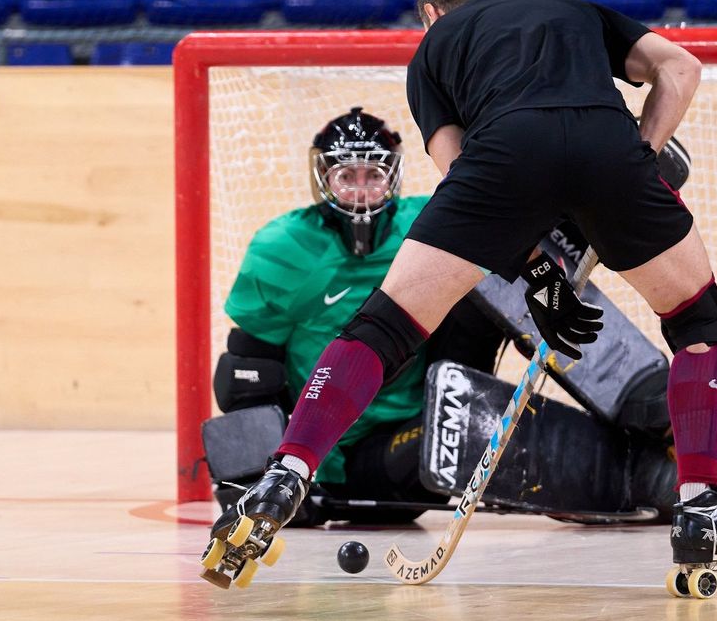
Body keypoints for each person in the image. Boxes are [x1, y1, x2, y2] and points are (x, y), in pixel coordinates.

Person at [205, 0, 717, 584]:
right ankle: (705, 509)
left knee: (384, 326)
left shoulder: (433, 51)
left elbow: (458, 174)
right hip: (606, 142)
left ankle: (286, 472)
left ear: (430, 13)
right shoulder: (575, 10)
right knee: (701, 319)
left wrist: (535, 275)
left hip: (501, 157)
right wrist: (640, 154)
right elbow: (681, 67)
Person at [205, 106, 678, 530]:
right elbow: (247, 377)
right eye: (347, 176)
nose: (362, 191)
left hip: (436, 377)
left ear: (393, 177)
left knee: (500, 247)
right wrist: (268, 476)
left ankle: (646, 402)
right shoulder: (282, 249)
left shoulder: (421, 219)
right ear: (323, 179)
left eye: (374, 175)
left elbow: (513, 217)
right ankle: (644, 477)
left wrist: (608, 188)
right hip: (356, 453)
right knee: (455, 431)